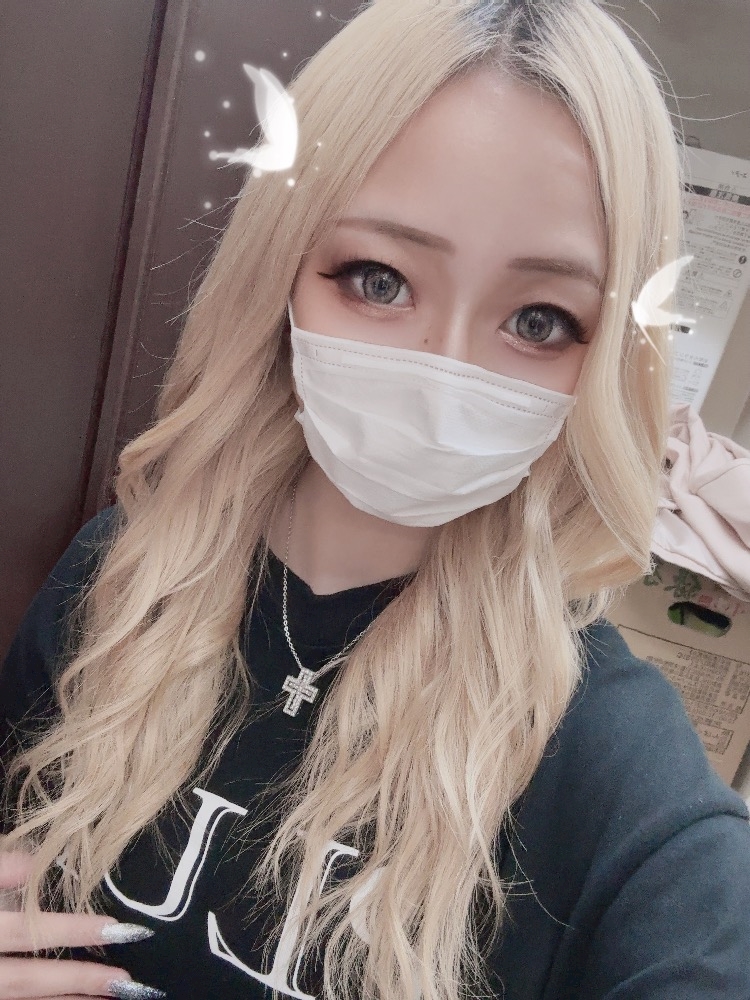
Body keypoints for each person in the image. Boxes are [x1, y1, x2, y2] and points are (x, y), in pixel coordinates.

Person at [1, 0, 749, 997]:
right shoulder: (120, 579)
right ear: (282, 268)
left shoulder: (607, 759)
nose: (443, 373)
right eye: (379, 279)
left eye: (539, 319)